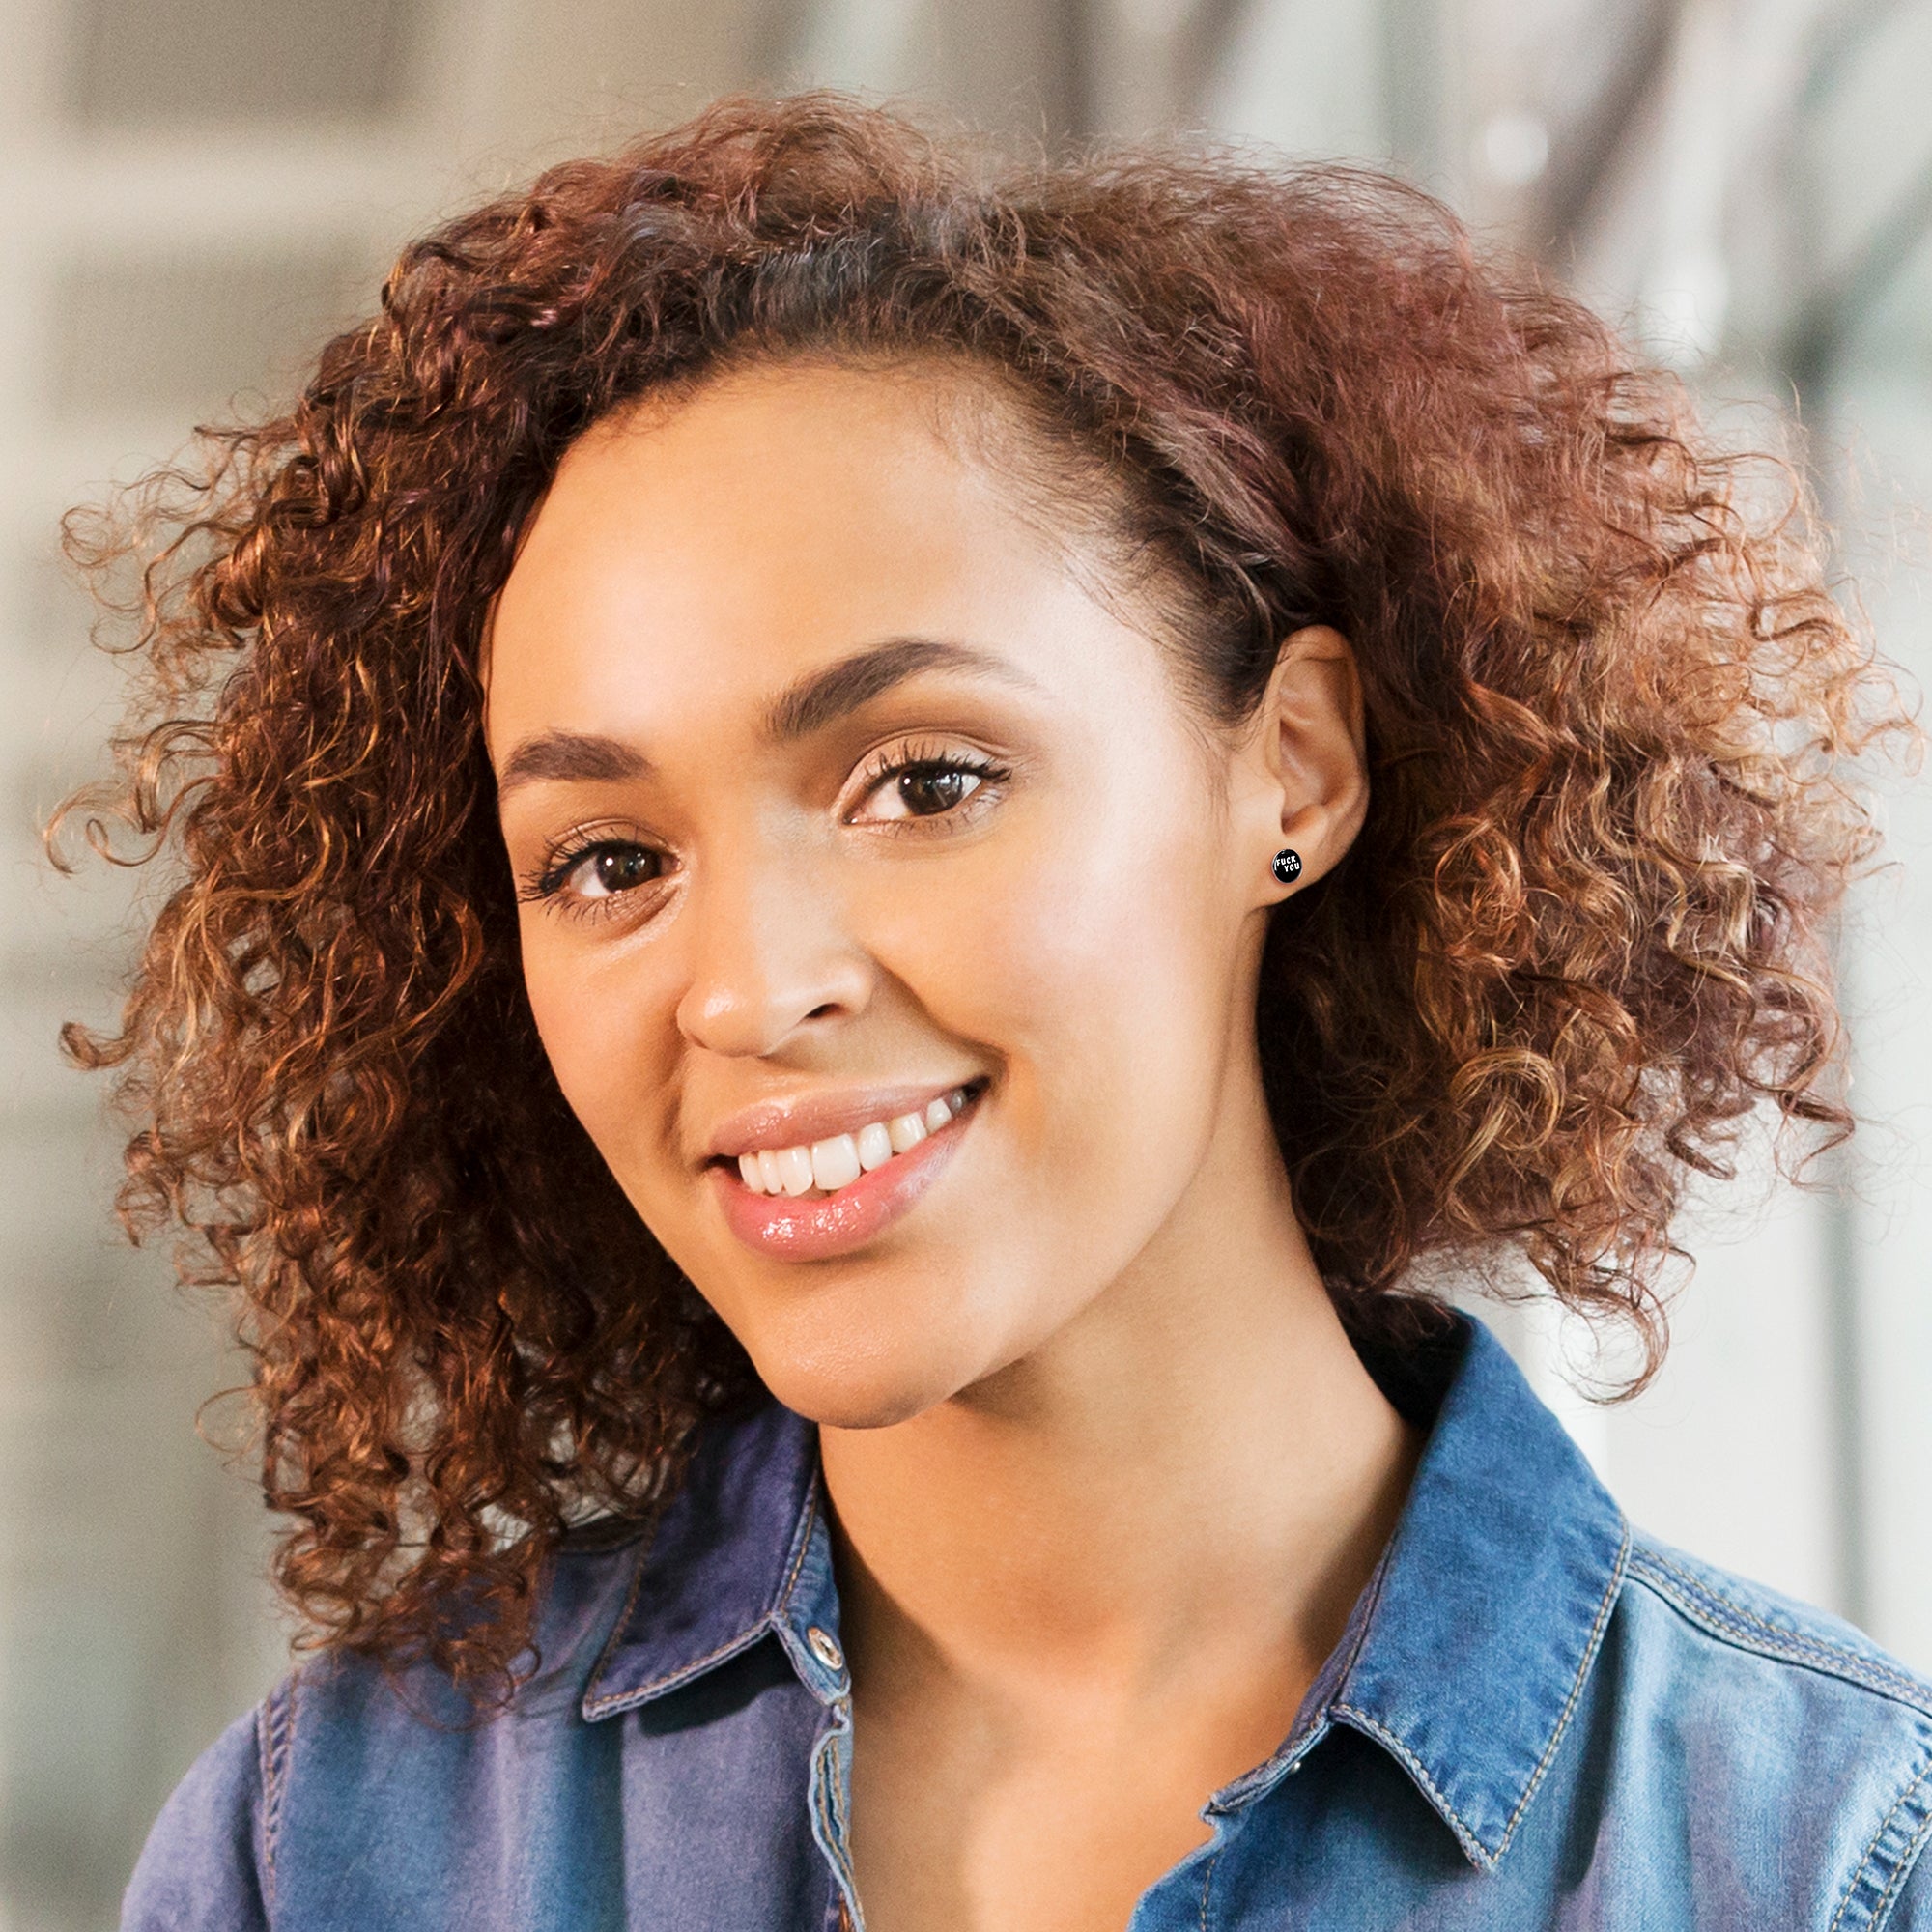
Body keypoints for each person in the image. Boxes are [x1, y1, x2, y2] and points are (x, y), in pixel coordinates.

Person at [65, 92, 1930, 1931]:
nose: (743, 989)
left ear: (1290, 770)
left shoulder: (1816, 1860)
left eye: (926, 782)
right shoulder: (328, 1857)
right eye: (609, 863)